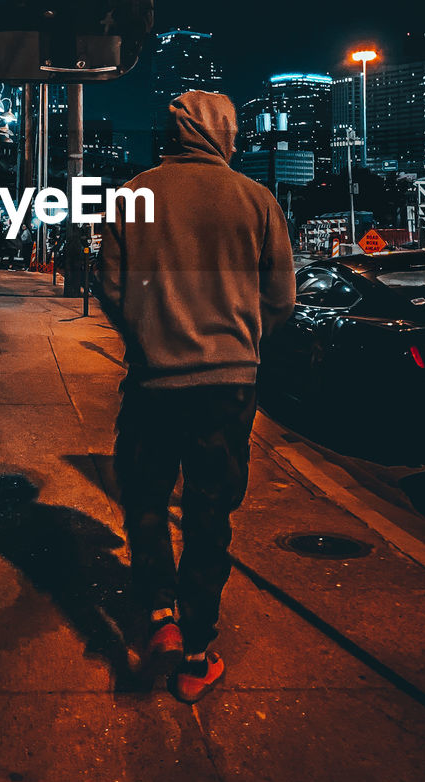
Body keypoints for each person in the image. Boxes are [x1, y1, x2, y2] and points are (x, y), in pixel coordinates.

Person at [97, 90, 295, 703]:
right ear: (225, 133)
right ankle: (198, 656)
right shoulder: (257, 200)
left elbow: (107, 284)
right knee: (211, 515)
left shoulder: (135, 195)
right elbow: (282, 298)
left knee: (147, 496)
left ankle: (160, 615)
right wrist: (240, 334)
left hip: (156, 380)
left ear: (177, 130)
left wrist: (146, 333)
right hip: (229, 387)